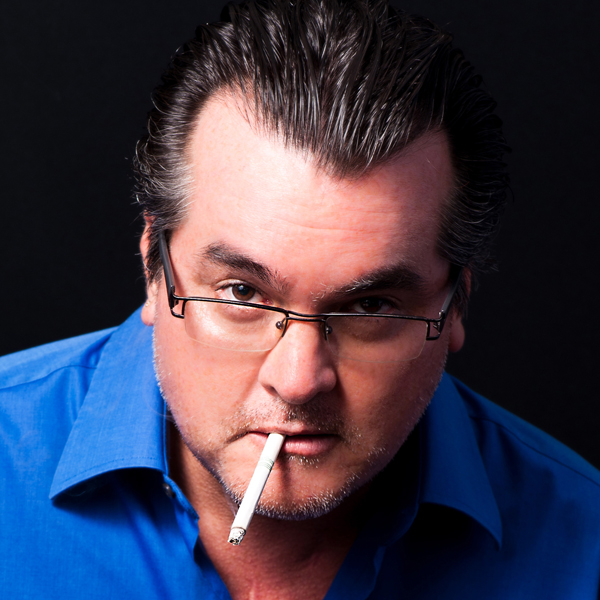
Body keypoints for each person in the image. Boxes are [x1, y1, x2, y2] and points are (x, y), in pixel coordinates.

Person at [1, 0, 599, 598]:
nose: (298, 381)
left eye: (370, 307)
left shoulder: (583, 549)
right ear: (154, 270)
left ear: (456, 305)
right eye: (242, 293)